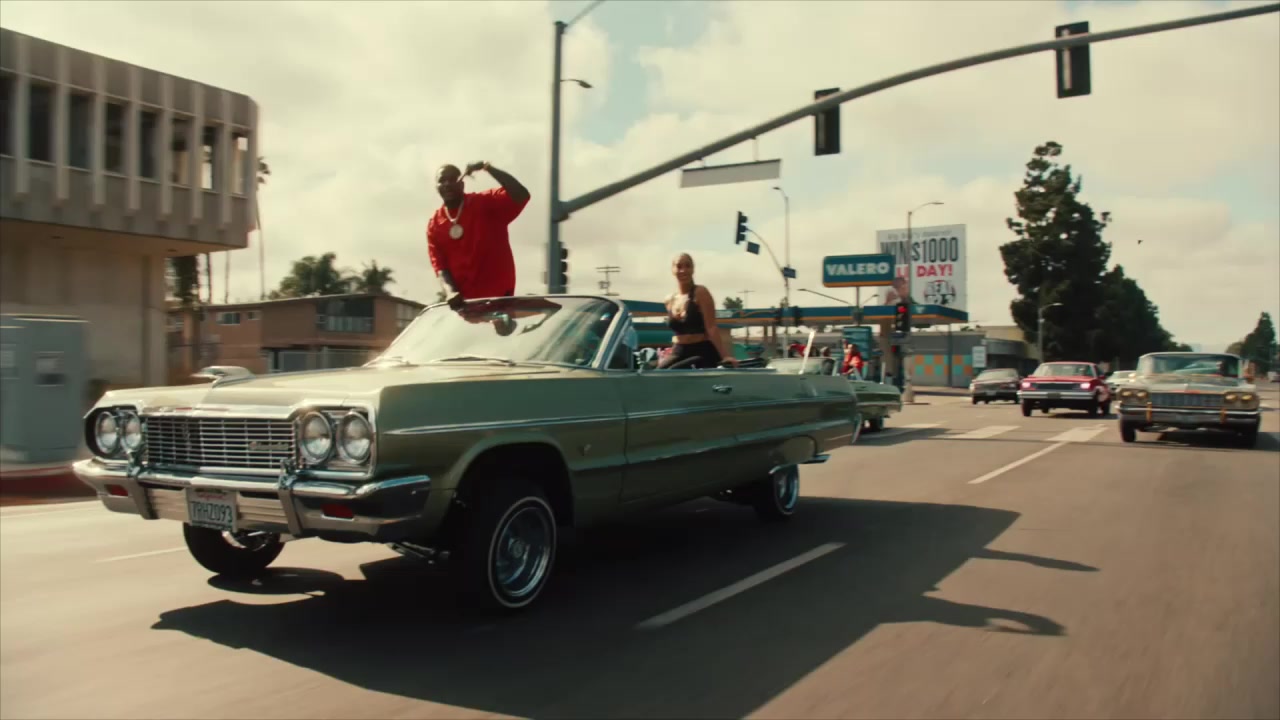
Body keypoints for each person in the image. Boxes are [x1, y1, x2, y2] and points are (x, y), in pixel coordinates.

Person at [426, 161, 530, 310]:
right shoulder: (434, 225)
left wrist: (488, 168)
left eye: (452, 179)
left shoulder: (485, 203)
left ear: (462, 184)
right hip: (466, 309)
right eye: (442, 181)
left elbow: (521, 195)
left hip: (500, 304)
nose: (447, 184)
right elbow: (440, 267)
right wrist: (450, 292)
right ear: (437, 187)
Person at [658, 253, 738, 369]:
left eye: (687, 266)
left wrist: (725, 356)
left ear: (693, 269)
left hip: (701, 351)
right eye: (679, 266)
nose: (683, 270)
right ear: (673, 270)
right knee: (657, 374)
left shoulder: (700, 293)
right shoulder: (669, 300)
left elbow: (711, 327)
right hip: (679, 351)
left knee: (674, 372)